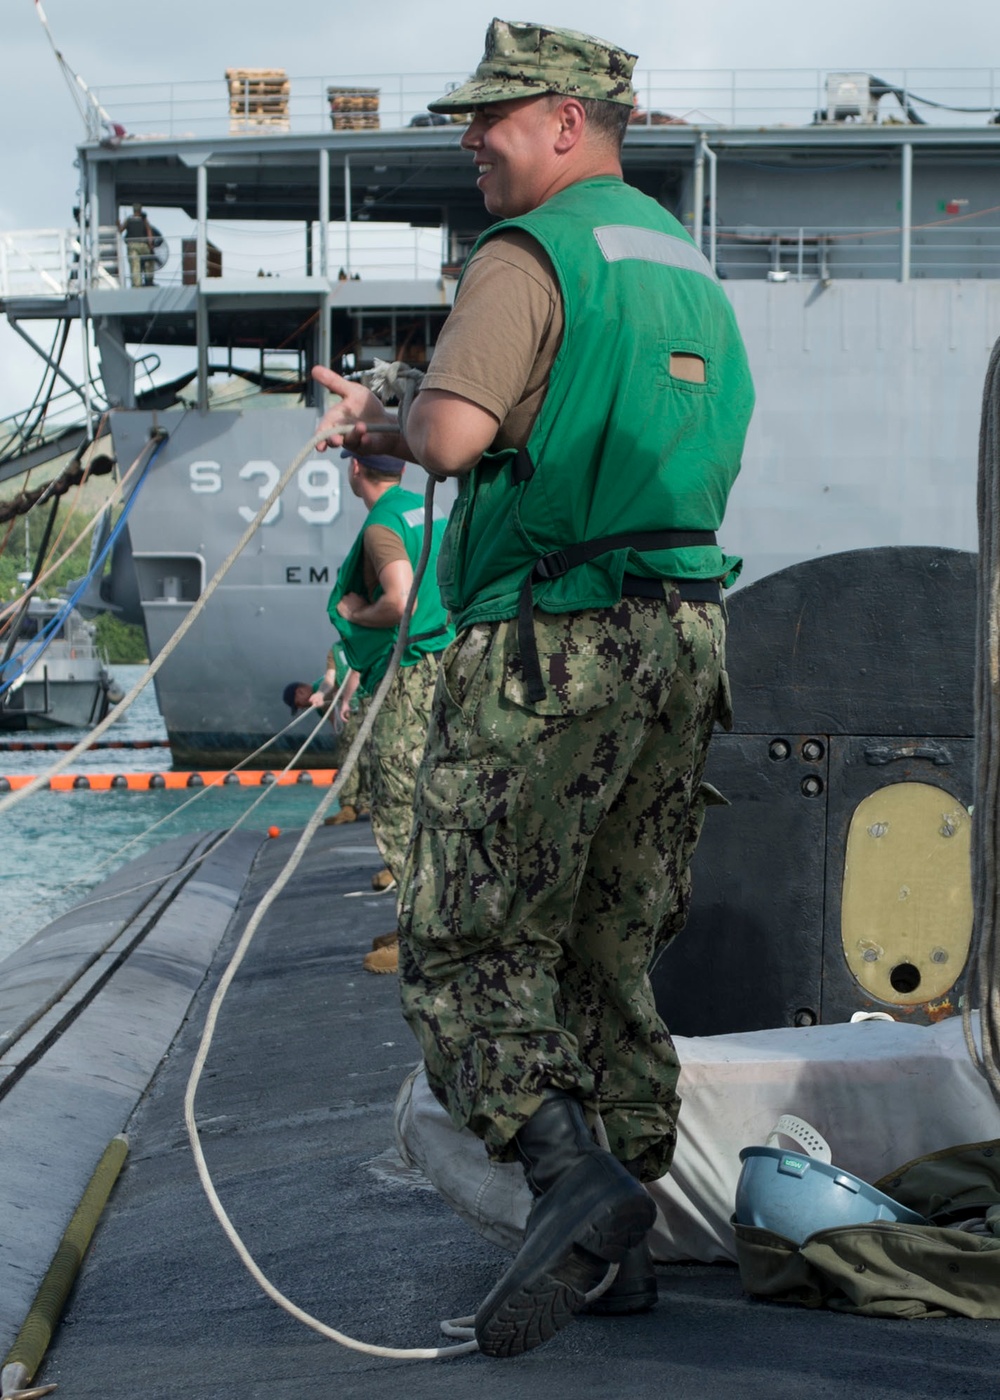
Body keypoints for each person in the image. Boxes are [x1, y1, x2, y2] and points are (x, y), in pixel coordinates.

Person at [312, 18, 754, 1357]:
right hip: (685, 637)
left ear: (568, 122)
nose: (470, 140)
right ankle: (626, 1256)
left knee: (464, 931)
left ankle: (569, 1182)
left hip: (555, 629)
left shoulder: (528, 252)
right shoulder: (689, 267)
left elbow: (453, 432)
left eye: (492, 118)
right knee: (611, 949)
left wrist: (386, 428)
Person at [325, 448, 454, 973]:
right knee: (433, 793)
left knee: (399, 795)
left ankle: (419, 940)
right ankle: (420, 922)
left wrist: (358, 611)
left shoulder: (381, 525)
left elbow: (399, 601)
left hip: (408, 669)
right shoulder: (426, 508)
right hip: (445, 658)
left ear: (355, 468)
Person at [118, 204, 155, 288]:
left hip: (132, 245)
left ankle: (136, 285)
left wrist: (118, 224)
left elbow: (121, 229)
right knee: (149, 262)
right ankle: (149, 281)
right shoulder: (144, 220)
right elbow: (149, 231)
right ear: (140, 209)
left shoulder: (129, 220)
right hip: (143, 245)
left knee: (135, 265)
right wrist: (151, 245)